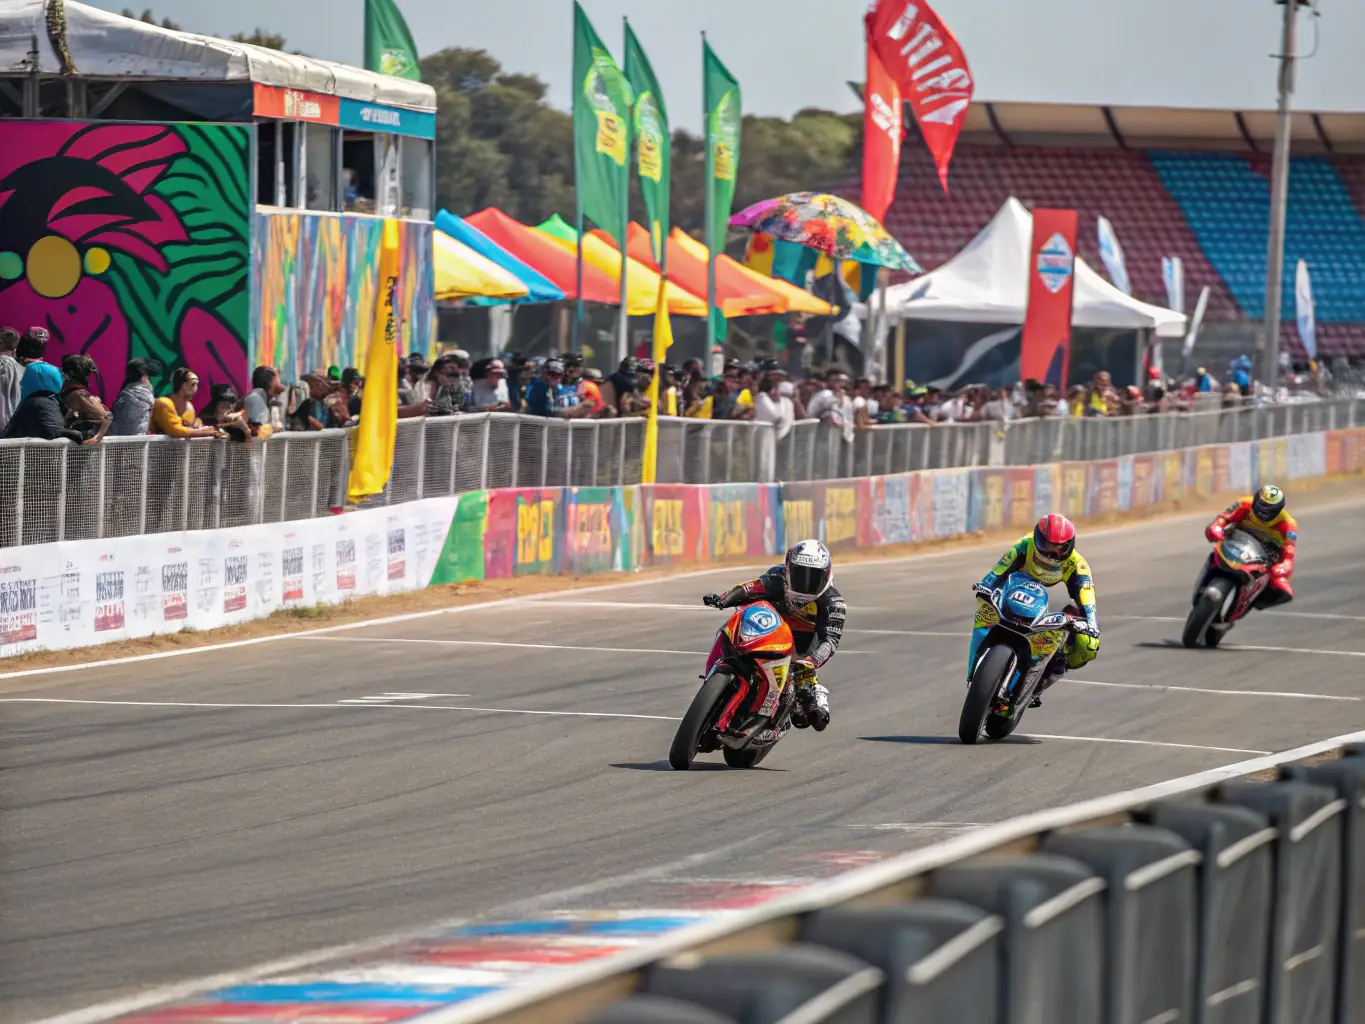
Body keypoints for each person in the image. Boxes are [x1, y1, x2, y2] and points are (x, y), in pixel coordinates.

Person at [701, 540, 845, 732]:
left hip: (801, 653)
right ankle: (714, 674)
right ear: (788, 568)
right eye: (799, 573)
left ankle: (788, 709)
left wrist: (812, 661)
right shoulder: (777, 576)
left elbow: (830, 641)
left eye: (813, 576)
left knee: (814, 716)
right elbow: (751, 588)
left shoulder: (833, 602)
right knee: (730, 629)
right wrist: (723, 599)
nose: (805, 581)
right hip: (765, 631)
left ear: (826, 575)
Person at [970, 514, 1101, 708]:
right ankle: (975, 669)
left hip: (1056, 615)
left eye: (1059, 548)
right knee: (984, 606)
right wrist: (985, 587)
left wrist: (1090, 624)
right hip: (1018, 585)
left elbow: (1088, 598)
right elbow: (997, 572)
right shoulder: (1024, 545)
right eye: (1047, 546)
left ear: (1069, 546)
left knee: (1088, 645)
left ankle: (1042, 680)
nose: (1052, 553)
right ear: (1037, 538)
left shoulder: (1077, 564)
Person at [1204, 484, 1296, 608]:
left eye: (1268, 508)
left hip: (1264, 556)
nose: (1262, 510)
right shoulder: (1244, 502)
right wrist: (1217, 525)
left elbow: (1289, 552)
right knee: (1215, 551)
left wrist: (1284, 566)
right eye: (1260, 504)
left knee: (1282, 589)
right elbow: (1224, 517)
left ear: (1278, 510)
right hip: (1236, 541)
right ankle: (1206, 579)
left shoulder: (1288, 525)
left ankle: (1253, 601)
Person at [2, 362, 88, 442]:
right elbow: (56, 433)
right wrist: (86, 435)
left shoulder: (38, 400)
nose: (21, 383)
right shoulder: (42, 401)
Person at [154, 368, 227, 439]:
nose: (196, 388)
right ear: (183, 385)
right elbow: (175, 430)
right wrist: (206, 431)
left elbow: (190, 430)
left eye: (197, 384)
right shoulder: (163, 403)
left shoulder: (189, 407)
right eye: (193, 384)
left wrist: (199, 425)